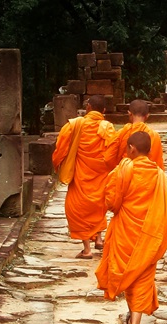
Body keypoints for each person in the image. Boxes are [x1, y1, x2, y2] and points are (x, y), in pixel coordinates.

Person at [95, 131, 167, 324]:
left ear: (131, 148)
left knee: (129, 274)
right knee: (142, 277)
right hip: (149, 235)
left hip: (125, 231)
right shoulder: (159, 175)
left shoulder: (123, 170)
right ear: (149, 150)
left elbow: (111, 203)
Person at [52, 95, 116, 259]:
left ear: (88, 107)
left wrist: (58, 165)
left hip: (80, 176)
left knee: (77, 210)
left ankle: (87, 249)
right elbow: (113, 153)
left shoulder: (74, 125)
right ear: (103, 111)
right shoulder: (108, 127)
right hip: (100, 175)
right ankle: (99, 239)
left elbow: (60, 149)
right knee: (98, 206)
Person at [105, 99, 164, 170]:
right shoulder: (154, 135)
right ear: (147, 116)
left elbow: (108, 158)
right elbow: (157, 163)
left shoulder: (121, 133)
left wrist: (119, 170)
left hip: (125, 175)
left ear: (129, 113)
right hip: (147, 177)